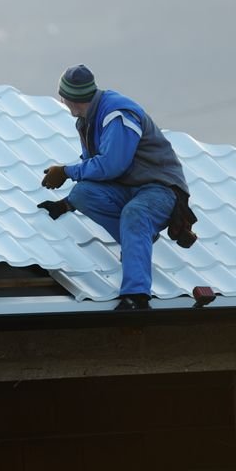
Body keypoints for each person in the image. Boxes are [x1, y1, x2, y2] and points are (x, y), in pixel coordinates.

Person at [38, 64, 193, 310]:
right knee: (83, 193)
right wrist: (67, 203)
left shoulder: (117, 113)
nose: (61, 101)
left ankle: (136, 296)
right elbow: (96, 170)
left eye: (63, 97)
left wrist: (66, 171)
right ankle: (138, 240)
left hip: (160, 189)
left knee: (136, 213)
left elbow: (111, 166)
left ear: (72, 99)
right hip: (127, 189)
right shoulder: (88, 119)